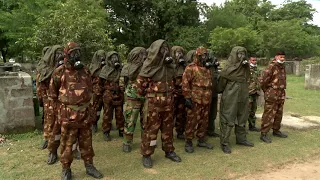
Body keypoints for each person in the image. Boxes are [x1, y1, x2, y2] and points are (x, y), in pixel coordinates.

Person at [49, 42, 103, 180]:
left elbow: (90, 87)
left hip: (84, 114)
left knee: (87, 142)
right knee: (67, 143)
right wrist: (60, 111)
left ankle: (89, 166)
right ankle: (66, 169)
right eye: (73, 52)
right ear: (67, 54)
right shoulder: (59, 71)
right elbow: (53, 94)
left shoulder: (85, 70)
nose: (76, 55)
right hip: (68, 116)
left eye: (78, 52)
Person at [137, 39, 181, 168]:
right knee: (151, 129)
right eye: (162, 49)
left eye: (167, 49)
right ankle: (147, 154)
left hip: (168, 103)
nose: (165, 52)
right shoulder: (148, 66)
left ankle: (169, 151)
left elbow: (175, 82)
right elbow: (140, 87)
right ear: (156, 51)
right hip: (153, 104)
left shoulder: (170, 67)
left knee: (168, 129)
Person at [218, 46, 254, 154]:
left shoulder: (245, 68)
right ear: (234, 55)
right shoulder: (228, 68)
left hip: (243, 95)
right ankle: (224, 143)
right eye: (239, 54)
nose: (241, 56)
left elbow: (248, 78)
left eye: (243, 54)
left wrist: (246, 66)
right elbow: (221, 85)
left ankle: (241, 139)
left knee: (242, 117)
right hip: (230, 97)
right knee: (227, 118)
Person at [182, 46, 214, 153]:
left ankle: (201, 139)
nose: (204, 57)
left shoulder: (208, 69)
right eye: (202, 56)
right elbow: (185, 83)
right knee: (192, 120)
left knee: (204, 120)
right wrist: (187, 97)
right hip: (195, 98)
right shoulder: (191, 68)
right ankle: (188, 141)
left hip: (206, 98)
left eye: (205, 55)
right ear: (197, 56)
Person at [120, 47, 147, 152]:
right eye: (141, 54)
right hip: (132, 97)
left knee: (146, 121)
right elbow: (122, 82)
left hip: (145, 97)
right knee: (130, 120)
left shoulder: (148, 66)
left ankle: (146, 141)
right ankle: (127, 142)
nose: (144, 56)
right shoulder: (128, 67)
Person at [260, 51, 288, 143]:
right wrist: (268, 91)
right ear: (276, 57)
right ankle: (263, 133)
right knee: (269, 114)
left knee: (279, 113)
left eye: (283, 57)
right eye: (281, 57)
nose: (282, 59)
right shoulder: (271, 67)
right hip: (272, 94)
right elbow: (263, 81)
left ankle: (276, 130)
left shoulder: (282, 67)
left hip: (281, 94)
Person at [99, 51, 125, 141]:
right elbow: (100, 83)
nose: (115, 59)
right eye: (112, 58)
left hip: (119, 94)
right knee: (107, 114)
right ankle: (106, 132)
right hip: (108, 94)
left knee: (120, 113)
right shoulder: (105, 69)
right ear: (109, 59)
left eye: (116, 57)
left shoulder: (121, 69)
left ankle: (121, 130)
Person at [36, 46, 51, 150]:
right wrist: (41, 97)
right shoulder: (42, 65)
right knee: (47, 119)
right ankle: (47, 138)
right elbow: (39, 82)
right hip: (46, 96)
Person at [171, 46, 187, 140]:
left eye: (181, 53)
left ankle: (180, 132)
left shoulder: (185, 65)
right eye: (177, 53)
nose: (179, 55)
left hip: (182, 93)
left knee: (181, 114)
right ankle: (168, 133)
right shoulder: (170, 65)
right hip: (173, 93)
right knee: (170, 114)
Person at [89, 50, 107, 133]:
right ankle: (94, 123)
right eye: (100, 56)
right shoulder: (92, 67)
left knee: (107, 110)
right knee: (96, 109)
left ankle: (106, 126)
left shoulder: (107, 66)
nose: (102, 58)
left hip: (106, 90)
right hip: (97, 91)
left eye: (103, 56)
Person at [207, 49, 221, 138]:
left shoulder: (214, 68)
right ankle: (203, 131)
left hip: (214, 93)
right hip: (206, 94)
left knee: (213, 113)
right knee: (205, 114)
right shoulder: (204, 67)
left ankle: (211, 130)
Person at [247, 56, 261, 132]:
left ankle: (252, 126)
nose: (254, 62)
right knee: (246, 110)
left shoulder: (257, 70)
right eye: (253, 60)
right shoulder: (246, 70)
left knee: (253, 110)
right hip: (248, 93)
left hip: (255, 93)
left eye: (255, 60)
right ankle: (241, 127)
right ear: (249, 61)